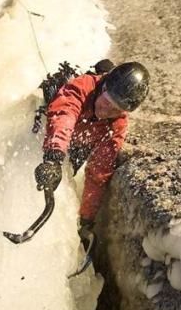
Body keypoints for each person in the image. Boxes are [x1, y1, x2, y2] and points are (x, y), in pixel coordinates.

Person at [34, 61, 150, 240]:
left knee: (71, 170)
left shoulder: (116, 124)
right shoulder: (82, 87)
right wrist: (53, 158)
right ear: (103, 87)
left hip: (79, 143)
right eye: (108, 101)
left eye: (115, 109)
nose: (106, 110)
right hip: (51, 132)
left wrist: (86, 220)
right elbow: (64, 115)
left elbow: (99, 173)